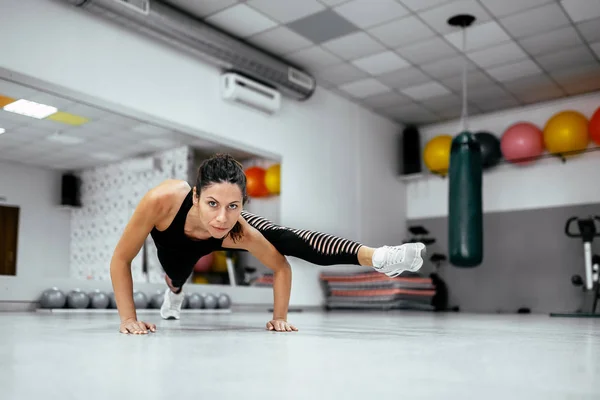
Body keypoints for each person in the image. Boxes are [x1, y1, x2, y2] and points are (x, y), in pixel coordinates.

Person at [110, 154, 426, 335]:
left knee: (282, 235)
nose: (222, 217)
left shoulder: (236, 228)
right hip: (173, 246)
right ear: (195, 195)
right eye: (212, 203)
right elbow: (121, 260)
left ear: (242, 203)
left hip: (219, 242)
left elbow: (281, 265)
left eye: (233, 205)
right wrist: (128, 319)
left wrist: (280, 316)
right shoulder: (161, 201)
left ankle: (380, 256)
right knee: (177, 276)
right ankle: (174, 295)